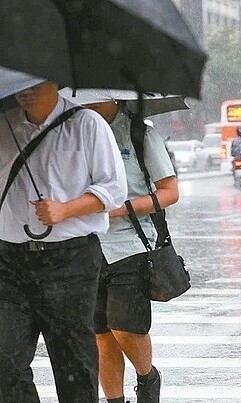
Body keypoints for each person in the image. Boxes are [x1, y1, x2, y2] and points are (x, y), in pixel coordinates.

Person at [0, 81, 127, 402]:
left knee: (73, 360)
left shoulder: (87, 124)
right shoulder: (4, 125)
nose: (23, 89)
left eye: (33, 80)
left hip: (69, 260)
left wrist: (65, 209)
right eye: (18, 80)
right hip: (9, 260)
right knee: (5, 359)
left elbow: (113, 190)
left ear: (55, 79)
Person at [84, 99, 179, 403]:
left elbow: (169, 192)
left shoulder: (140, 135)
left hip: (130, 244)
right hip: (86, 247)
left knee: (123, 326)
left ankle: (147, 376)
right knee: (101, 333)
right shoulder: (76, 134)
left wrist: (122, 209)